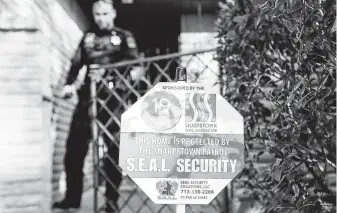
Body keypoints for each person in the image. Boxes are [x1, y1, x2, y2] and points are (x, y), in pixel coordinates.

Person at [52, 0, 143, 212]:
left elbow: (135, 66)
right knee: (73, 150)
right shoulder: (88, 38)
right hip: (87, 99)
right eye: (97, 14)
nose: (101, 18)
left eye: (104, 13)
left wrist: (111, 74)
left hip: (112, 101)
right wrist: (68, 86)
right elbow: (76, 65)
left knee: (113, 152)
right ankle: (72, 199)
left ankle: (111, 201)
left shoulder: (123, 37)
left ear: (113, 13)